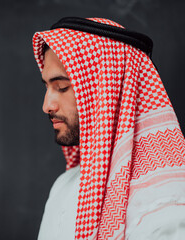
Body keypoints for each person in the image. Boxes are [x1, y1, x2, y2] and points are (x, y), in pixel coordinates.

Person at [32, 17, 185, 240]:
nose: (47, 106)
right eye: (47, 87)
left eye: (62, 87)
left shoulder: (166, 205)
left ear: (108, 91)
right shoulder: (63, 186)